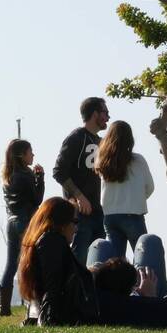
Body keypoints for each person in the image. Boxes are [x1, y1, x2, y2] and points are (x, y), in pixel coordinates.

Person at [17, 198, 167, 328]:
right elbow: (52, 288)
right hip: (91, 309)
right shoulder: (51, 242)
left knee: (161, 308)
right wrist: (47, 321)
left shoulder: (47, 242)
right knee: (162, 310)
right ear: (60, 223)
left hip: (91, 305)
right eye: (74, 222)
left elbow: (50, 288)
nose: (77, 228)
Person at [53, 97, 109, 265]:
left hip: (100, 213)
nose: (108, 117)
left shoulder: (102, 142)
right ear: (94, 114)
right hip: (80, 216)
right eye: (105, 113)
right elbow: (58, 171)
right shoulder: (76, 138)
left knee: (100, 263)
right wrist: (79, 196)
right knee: (78, 261)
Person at [96, 120, 155, 258]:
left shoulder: (102, 162)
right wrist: (137, 198)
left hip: (110, 216)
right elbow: (150, 187)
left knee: (115, 262)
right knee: (142, 258)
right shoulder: (138, 161)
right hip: (133, 214)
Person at [0, 138, 44, 316]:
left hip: (11, 222)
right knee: (32, 263)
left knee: (11, 264)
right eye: (30, 151)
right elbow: (37, 199)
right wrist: (40, 178)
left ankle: (4, 307)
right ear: (22, 155)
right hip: (27, 221)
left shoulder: (8, 176)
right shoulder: (26, 175)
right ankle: (33, 302)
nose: (33, 155)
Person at [86, 232, 167, 296]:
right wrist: (147, 298)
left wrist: (94, 273)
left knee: (100, 244)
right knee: (149, 240)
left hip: (95, 295)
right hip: (138, 307)